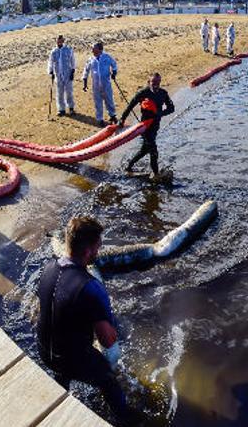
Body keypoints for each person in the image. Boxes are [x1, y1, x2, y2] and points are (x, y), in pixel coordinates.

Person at [37, 216, 136, 425]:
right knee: (108, 380)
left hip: (44, 351)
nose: (99, 251)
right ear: (88, 251)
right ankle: (126, 419)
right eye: (98, 247)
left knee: (62, 358)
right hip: (72, 359)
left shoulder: (48, 268)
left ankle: (59, 387)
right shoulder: (91, 287)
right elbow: (107, 340)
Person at [119, 73, 174, 176]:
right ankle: (156, 175)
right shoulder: (143, 93)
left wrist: (160, 113)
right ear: (149, 83)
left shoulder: (163, 93)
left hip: (155, 126)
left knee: (144, 150)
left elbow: (172, 108)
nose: (156, 85)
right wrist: (122, 119)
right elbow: (130, 106)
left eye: (158, 82)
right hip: (145, 127)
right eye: (153, 82)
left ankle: (129, 165)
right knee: (154, 151)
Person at [82, 42, 118, 127]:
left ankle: (112, 115)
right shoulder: (91, 59)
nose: (92, 50)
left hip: (106, 83)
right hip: (96, 85)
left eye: (94, 48)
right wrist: (85, 82)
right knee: (98, 102)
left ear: (99, 49)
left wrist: (114, 73)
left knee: (109, 99)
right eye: (92, 48)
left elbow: (114, 64)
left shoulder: (107, 57)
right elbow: (86, 71)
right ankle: (100, 119)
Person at [48, 35, 76, 116]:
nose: (59, 42)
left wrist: (73, 71)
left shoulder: (68, 50)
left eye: (61, 40)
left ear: (63, 41)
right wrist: (51, 72)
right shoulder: (53, 51)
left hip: (67, 73)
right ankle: (61, 109)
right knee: (60, 92)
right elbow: (51, 62)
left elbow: (72, 60)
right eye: (58, 40)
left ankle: (71, 108)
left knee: (69, 91)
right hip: (58, 74)